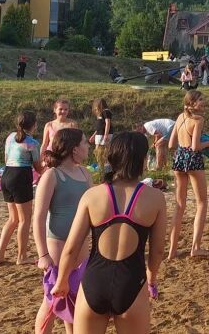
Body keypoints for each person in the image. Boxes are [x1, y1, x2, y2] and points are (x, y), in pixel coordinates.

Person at [52, 131, 167, 332]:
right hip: (131, 282)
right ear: (141, 160)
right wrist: (151, 279)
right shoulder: (155, 198)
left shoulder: (92, 196)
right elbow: (157, 251)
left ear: (112, 157)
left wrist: (61, 281)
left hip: (94, 282)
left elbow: (71, 247)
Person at [33, 128, 92, 334]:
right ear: (74, 149)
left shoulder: (85, 173)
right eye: (84, 143)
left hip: (82, 245)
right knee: (51, 300)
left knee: (75, 297)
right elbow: (39, 217)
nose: (88, 146)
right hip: (58, 245)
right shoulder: (52, 175)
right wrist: (43, 254)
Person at [168, 90, 209, 259]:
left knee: (179, 205)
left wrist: (183, 147)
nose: (204, 102)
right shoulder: (198, 120)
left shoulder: (180, 117)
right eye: (200, 99)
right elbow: (195, 146)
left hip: (179, 159)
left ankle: (172, 250)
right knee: (202, 203)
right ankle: (195, 248)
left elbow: (171, 144)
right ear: (192, 103)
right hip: (193, 160)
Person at [0, 111, 45, 265]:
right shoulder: (32, 143)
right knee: (24, 220)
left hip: (7, 175)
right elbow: (38, 168)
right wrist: (47, 165)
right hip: (21, 177)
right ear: (34, 125)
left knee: (13, 218)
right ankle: (22, 257)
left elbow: (6, 159)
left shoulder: (10, 137)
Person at [91, 98, 113, 172]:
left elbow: (108, 123)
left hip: (105, 134)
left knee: (105, 150)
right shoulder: (100, 114)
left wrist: (106, 135)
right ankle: (100, 165)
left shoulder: (106, 111)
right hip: (99, 134)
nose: (95, 108)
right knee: (97, 150)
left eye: (96, 106)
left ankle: (107, 166)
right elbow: (99, 127)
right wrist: (93, 135)